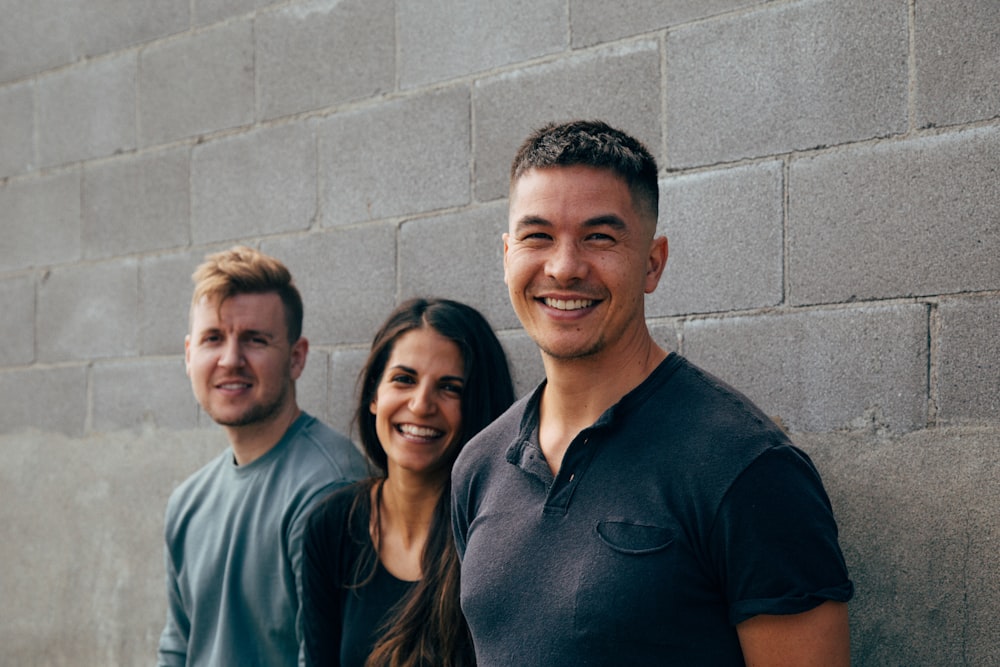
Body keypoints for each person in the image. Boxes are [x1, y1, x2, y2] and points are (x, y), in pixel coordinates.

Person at [451, 120, 854, 666]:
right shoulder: (478, 467)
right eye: (536, 235)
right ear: (506, 256)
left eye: (600, 237)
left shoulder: (748, 469)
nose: (564, 267)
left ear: (652, 262)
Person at [158, 245, 367, 667]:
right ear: (188, 355)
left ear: (296, 357)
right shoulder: (187, 501)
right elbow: (178, 647)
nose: (230, 360)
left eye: (255, 340)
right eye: (212, 338)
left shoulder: (330, 487)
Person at [301, 298, 515, 667]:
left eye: (450, 388)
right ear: (374, 395)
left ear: (478, 407)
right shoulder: (331, 524)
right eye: (404, 379)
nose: (420, 405)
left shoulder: (501, 537)